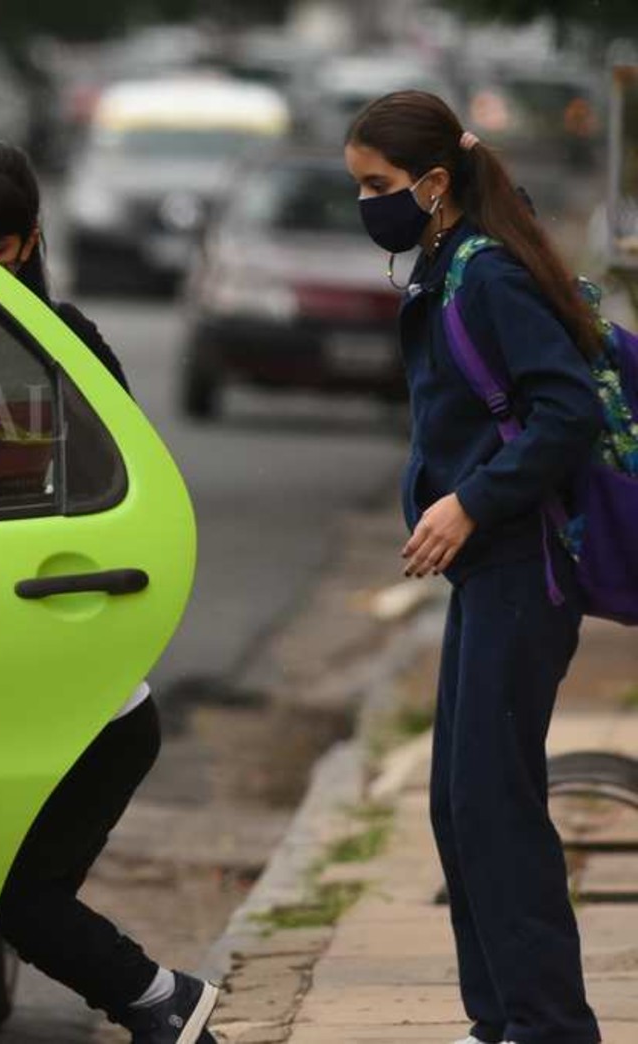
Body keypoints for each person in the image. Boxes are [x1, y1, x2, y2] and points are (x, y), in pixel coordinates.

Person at [0, 138, 221, 1044]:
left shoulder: (68, 346)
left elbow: (121, 497)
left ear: (29, 243)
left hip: (49, 676)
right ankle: (157, 1001)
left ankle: (156, 999)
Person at [344, 92, 605, 1044]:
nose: (366, 202)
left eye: (376, 185)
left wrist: (469, 501)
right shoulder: (449, 262)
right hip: (485, 572)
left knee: (494, 805)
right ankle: (498, 1020)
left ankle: (548, 1027)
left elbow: (565, 411)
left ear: (434, 184)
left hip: (521, 567)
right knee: (461, 803)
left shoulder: (482, 275)